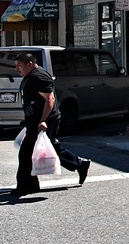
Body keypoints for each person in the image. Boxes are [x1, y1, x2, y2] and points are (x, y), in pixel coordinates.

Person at [13, 52, 91, 196]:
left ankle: (26, 185)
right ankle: (79, 164)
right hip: (34, 121)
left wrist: (42, 120)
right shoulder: (29, 76)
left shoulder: (39, 76)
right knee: (49, 149)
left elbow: (50, 99)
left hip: (46, 121)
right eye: (16, 66)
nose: (17, 69)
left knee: (26, 153)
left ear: (29, 64)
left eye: (19, 66)